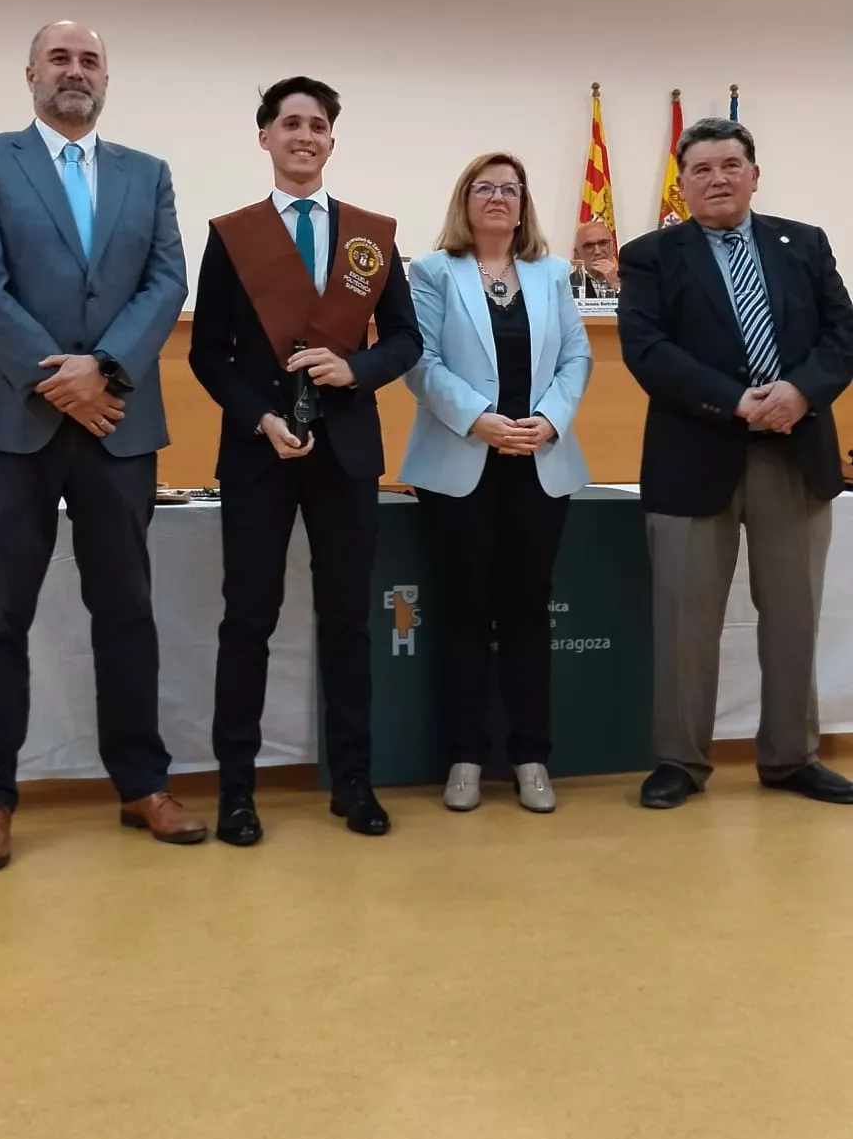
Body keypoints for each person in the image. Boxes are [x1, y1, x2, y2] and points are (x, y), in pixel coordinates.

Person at [0, 21, 206, 870]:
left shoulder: (147, 174)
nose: (75, 71)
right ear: (30, 75)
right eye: (61, 58)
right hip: (8, 420)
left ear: (106, 79)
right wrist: (63, 379)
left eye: (90, 60)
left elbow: (168, 281)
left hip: (117, 422)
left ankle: (142, 785)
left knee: (125, 610)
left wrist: (108, 371)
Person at [190, 76, 422, 844]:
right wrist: (257, 415)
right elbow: (207, 353)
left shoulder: (371, 236)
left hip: (346, 450)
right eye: (290, 123)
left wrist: (356, 370)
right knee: (247, 621)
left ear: (331, 140)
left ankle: (353, 782)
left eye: (318, 125)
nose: (305, 136)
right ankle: (236, 791)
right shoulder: (233, 235)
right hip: (260, 452)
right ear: (265, 138)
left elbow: (404, 340)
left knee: (348, 622)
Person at [617, 116, 853, 810]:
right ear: (682, 183)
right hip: (696, 455)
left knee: (793, 614)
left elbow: (844, 333)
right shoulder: (651, 255)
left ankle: (790, 757)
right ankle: (680, 763)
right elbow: (648, 351)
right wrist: (737, 402)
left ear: (753, 173)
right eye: (702, 169)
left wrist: (800, 392)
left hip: (795, 452)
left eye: (730, 165)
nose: (717, 179)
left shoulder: (804, 244)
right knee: (686, 620)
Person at [400, 154, 593, 813]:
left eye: (511, 189)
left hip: (538, 464)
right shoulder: (430, 273)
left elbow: (576, 356)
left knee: (525, 614)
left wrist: (548, 420)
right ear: (465, 199)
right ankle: (464, 756)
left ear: (523, 204)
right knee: (461, 611)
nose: (499, 198)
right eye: (486, 187)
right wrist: (479, 420)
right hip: (461, 465)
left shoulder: (553, 273)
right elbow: (419, 362)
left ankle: (531, 754)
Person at [570, 218, 619, 299]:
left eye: (603, 243)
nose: (597, 252)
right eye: (589, 246)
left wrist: (617, 286)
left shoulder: (632, 282)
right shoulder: (566, 285)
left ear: (613, 248)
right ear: (577, 254)